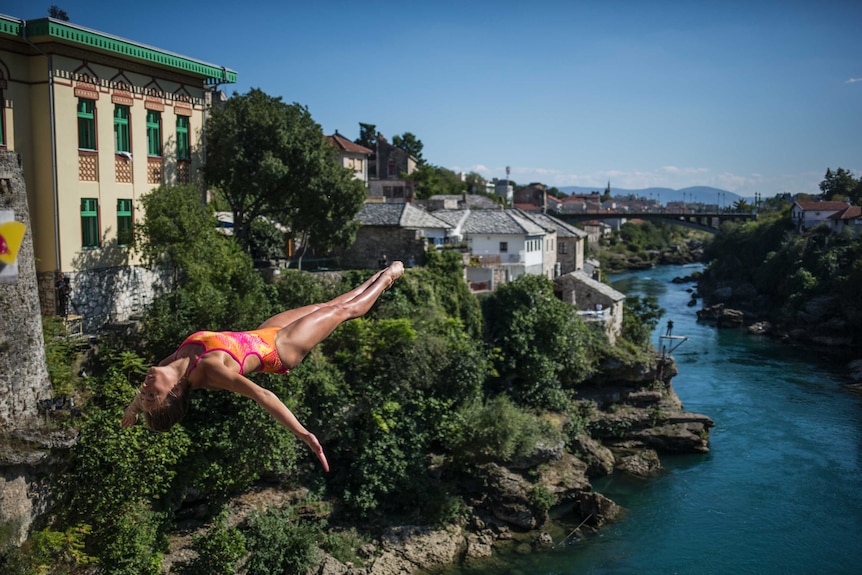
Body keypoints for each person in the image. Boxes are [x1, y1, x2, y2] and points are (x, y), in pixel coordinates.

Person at [121, 262, 405, 472]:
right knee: (340, 312)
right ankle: (386, 280)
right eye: (150, 395)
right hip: (282, 350)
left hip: (264, 334)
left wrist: (135, 410)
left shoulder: (165, 365)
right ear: (173, 393)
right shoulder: (208, 369)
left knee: (325, 306)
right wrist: (303, 433)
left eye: (143, 393)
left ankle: (375, 277)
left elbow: (144, 399)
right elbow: (263, 396)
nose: (143, 388)